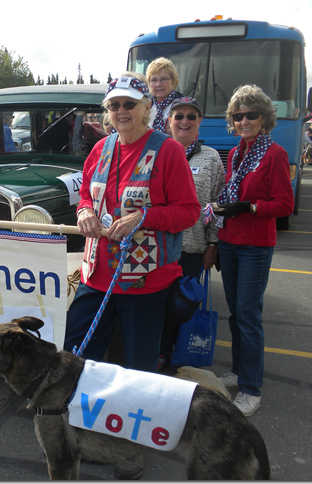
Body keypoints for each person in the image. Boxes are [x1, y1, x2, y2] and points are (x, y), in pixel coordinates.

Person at [64, 74, 200, 372]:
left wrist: (144, 217)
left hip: (144, 283)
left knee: (138, 365)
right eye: (114, 105)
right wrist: (84, 211)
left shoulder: (169, 151)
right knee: (79, 352)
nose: (121, 111)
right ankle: (83, 412)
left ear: (146, 107)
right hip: (96, 275)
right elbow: (87, 194)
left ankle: (129, 417)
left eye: (129, 104)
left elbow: (189, 212)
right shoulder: (101, 149)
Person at [215, 85, 294, 416]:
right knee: (236, 313)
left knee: (248, 315)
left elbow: (284, 204)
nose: (244, 120)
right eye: (238, 115)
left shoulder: (274, 154)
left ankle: (251, 388)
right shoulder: (236, 153)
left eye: (251, 115)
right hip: (230, 241)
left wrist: (248, 208)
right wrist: (223, 209)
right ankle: (238, 370)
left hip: (255, 246)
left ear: (264, 118)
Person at [158, 96, 226, 369]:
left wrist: (213, 244)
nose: (184, 121)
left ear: (199, 122)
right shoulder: (158, 153)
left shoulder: (211, 158)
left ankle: (180, 354)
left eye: (191, 116)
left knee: (183, 305)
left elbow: (218, 202)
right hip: (158, 246)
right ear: (169, 121)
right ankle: (159, 352)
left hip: (193, 246)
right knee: (158, 304)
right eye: (179, 116)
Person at [145, 58, 183, 133]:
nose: (158, 84)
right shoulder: (145, 106)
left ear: (173, 81)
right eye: (154, 80)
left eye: (163, 79)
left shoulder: (183, 105)